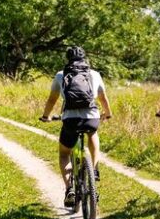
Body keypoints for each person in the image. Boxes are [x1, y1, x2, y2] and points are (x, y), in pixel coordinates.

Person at [40, 46, 112, 207]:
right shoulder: (94, 74)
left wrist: (46, 116)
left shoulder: (61, 75)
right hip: (91, 118)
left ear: (68, 59)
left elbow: (52, 100)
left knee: (64, 153)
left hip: (70, 120)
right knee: (93, 134)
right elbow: (103, 98)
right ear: (84, 58)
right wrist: (108, 113)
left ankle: (69, 189)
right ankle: (93, 170)